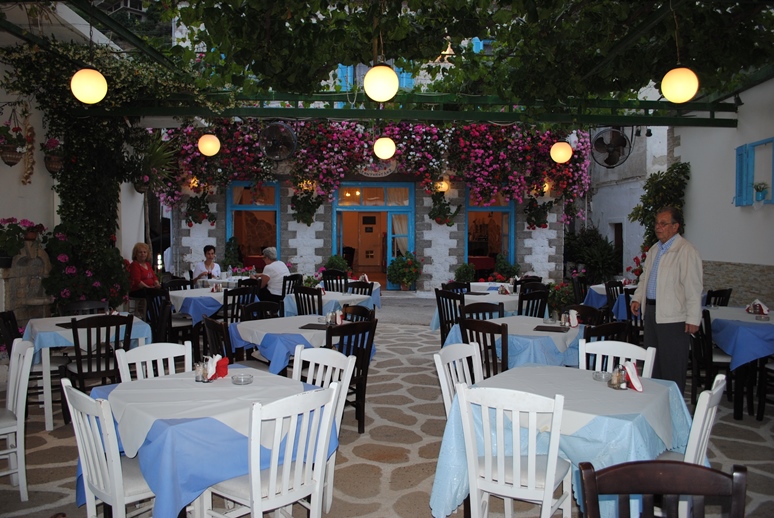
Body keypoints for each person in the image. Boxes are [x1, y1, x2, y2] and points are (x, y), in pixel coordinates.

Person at [630, 206, 703, 394]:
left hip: (673, 318)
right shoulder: (655, 250)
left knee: (672, 366)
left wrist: (693, 318)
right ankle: (654, 402)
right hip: (652, 313)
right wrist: (638, 298)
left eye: (663, 223)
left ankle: (673, 405)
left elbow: (693, 287)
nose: (658, 227)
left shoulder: (686, 251)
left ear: (675, 226)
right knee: (653, 364)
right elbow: (645, 278)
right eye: (657, 223)